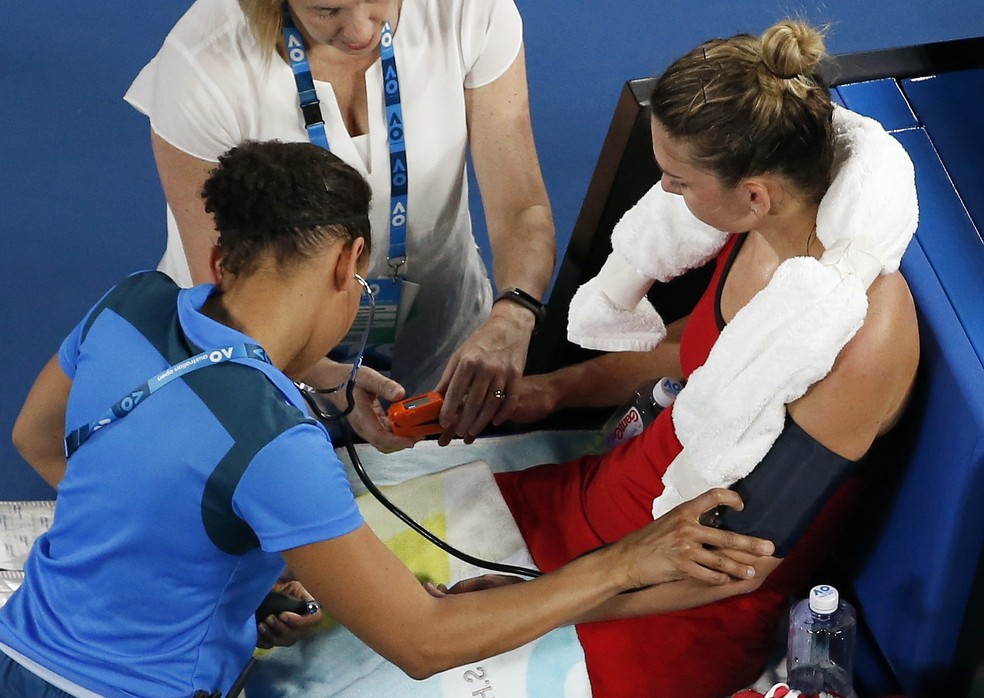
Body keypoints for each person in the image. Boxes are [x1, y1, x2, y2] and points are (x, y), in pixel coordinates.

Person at [0, 140, 775, 698]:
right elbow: (424, 643)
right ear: (350, 263)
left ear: (223, 254)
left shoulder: (130, 305)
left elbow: (38, 443)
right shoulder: (275, 441)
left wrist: (210, 567)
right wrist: (626, 562)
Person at [486, 20, 920, 698]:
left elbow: (738, 563)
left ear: (754, 194)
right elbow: (699, 363)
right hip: (606, 502)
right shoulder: (764, 230)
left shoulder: (861, 341)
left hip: (677, 600)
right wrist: (551, 391)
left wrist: (538, 604)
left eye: (677, 180)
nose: (667, 197)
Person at [124, 0, 555, 451]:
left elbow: (520, 206)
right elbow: (224, 288)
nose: (360, 30)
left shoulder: (470, 7)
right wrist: (321, 375)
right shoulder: (200, 62)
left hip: (438, 351)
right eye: (327, 10)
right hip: (260, 362)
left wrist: (512, 317)